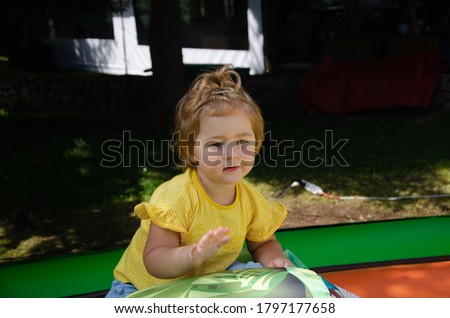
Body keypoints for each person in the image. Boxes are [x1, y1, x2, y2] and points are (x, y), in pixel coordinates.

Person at [105, 65, 294, 298]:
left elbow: (263, 243)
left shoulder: (250, 198)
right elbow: (155, 258)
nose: (232, 154)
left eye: (243, 142)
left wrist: (273, 259)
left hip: (196, 288)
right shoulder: (177, 197)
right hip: (142, 290)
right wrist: (191, 256)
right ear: (191, 151)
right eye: (216, 145)